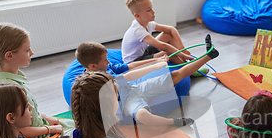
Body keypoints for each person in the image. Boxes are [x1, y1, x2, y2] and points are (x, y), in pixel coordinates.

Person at [76, 38, 218, 127]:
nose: (109, 62)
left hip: (134, 88)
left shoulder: (107, 66)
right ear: (93, 66)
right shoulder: (93, 82)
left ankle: (209, 56)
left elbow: (128, 66)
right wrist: (154, 67)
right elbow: (128, 76)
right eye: (105, 60)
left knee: (176, 75)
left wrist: (155, 60)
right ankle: (173, 122)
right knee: (143, 116)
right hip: (125, 103)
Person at [0, 22, 73, 138]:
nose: (32, 53)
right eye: (27, 50)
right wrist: (49, 129)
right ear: (9, 56)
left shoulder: (12, 75)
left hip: (40, 127)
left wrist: (46, 119)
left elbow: (31, 111)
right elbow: (19, 130)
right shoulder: (10, 89)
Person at [121, 0, 207, 76]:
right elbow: (163, 46)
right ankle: (188, 69)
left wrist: (181, 48)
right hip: (135, 62)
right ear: (137, 16)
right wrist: (183, 55)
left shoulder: (148, 23)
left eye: (152, 8)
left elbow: (171, 29)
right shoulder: (138, 31)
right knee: (167, 52)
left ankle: (184, 62)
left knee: (167, 35)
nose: (153, 12)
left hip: (143, 52)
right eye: (149, 10)